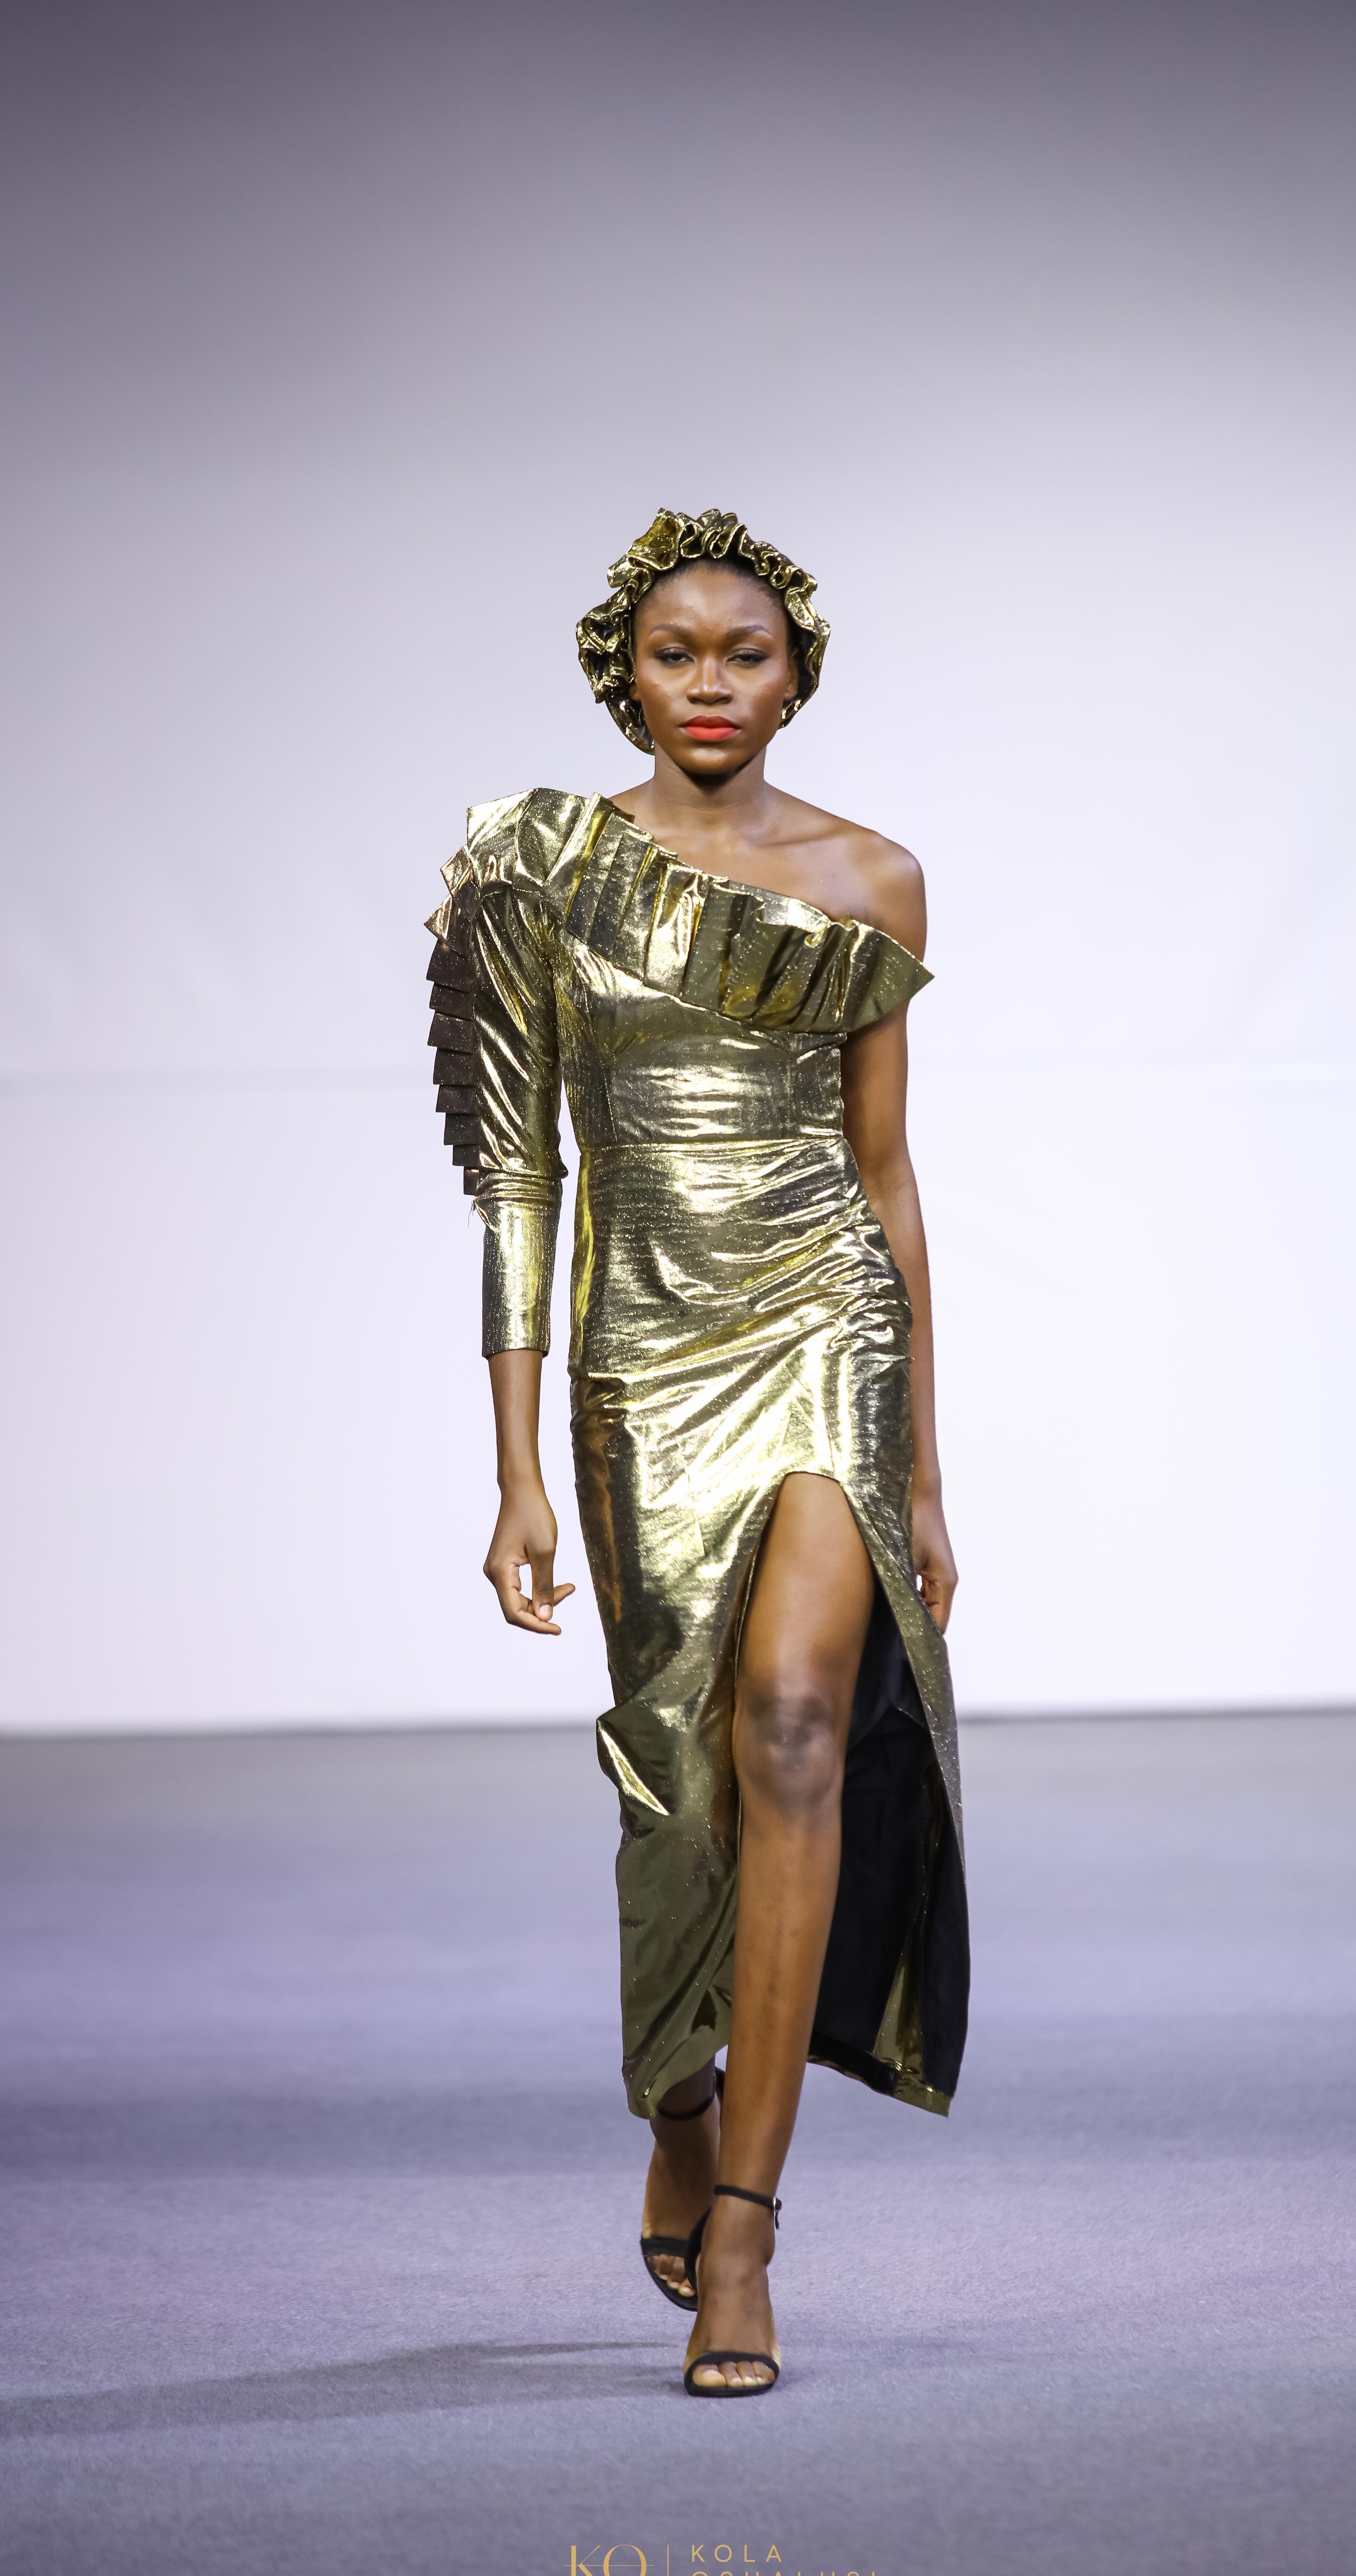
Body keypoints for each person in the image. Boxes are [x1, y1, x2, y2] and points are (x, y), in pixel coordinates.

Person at [428, 508, 968, 2396]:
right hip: (642, 1359)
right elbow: (520, 1180)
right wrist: (514, 1468)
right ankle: (678, 2094)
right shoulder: (541, 874)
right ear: (625, 676)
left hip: (827, 1326)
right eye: (678, 654)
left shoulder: (874, 877)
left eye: (747, 654)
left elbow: (888, 1173)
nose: (713, 684)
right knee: (672, 1777)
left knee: (796, 1731)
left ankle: (745, 2227)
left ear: (796, 677)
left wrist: (921, 1472)